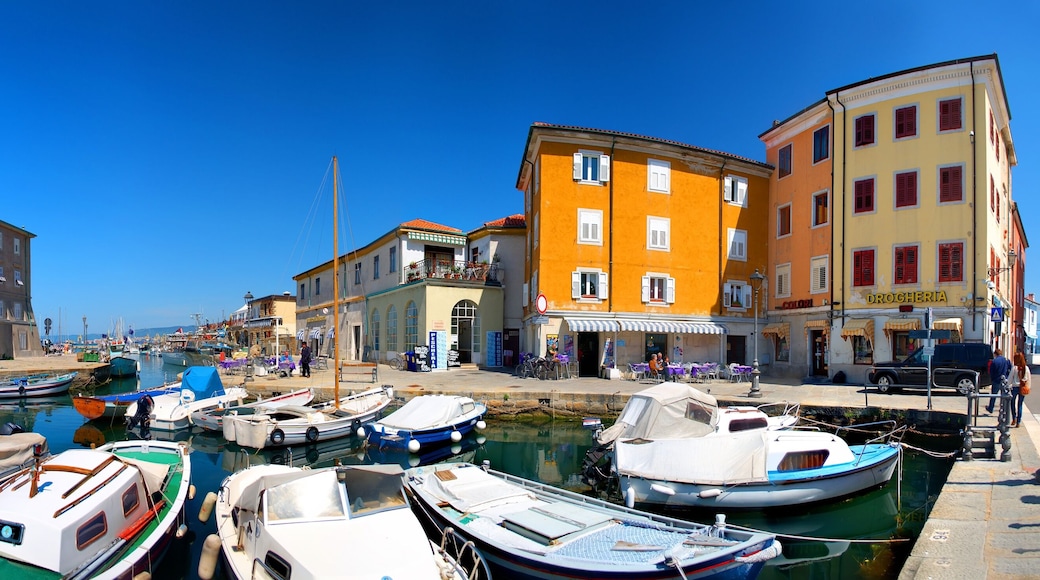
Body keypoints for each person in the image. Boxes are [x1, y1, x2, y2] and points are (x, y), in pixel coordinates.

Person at [986, 348, 1012, 413]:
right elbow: (1010, 369)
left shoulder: (994, 361)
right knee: (1004, 396)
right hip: (1004, 380)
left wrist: (992, 379)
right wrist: (1007, 376)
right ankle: (1003, 409)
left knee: (993, 395)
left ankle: (991, 408)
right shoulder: (1006, 360)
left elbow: (992, 372)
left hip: (996, 380)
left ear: (995, 354)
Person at [1009, 352, 1030, 427]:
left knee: (1012, 403)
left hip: (1014, 387)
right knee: (1020, 404)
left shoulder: (1014, 368)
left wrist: (1008, 386)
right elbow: (1028, 379)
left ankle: (1014, 418)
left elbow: (1010, 379)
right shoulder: (1026, 368)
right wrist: (1027, 387)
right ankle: (1018, 421)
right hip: (1022, 387)